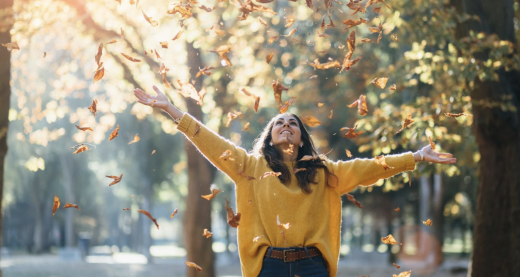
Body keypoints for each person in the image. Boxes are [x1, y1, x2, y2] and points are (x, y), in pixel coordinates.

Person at [134, 85, 456, 277]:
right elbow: (211, 142)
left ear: (301, 137)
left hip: (312, 267)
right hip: (268, 267)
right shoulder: (249, 167)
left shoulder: (323, 172)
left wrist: (415, 156)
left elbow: (369, 167)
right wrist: (172, 110)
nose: (286, 124)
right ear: (270, 136)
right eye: (279, 123)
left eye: (293, 123)